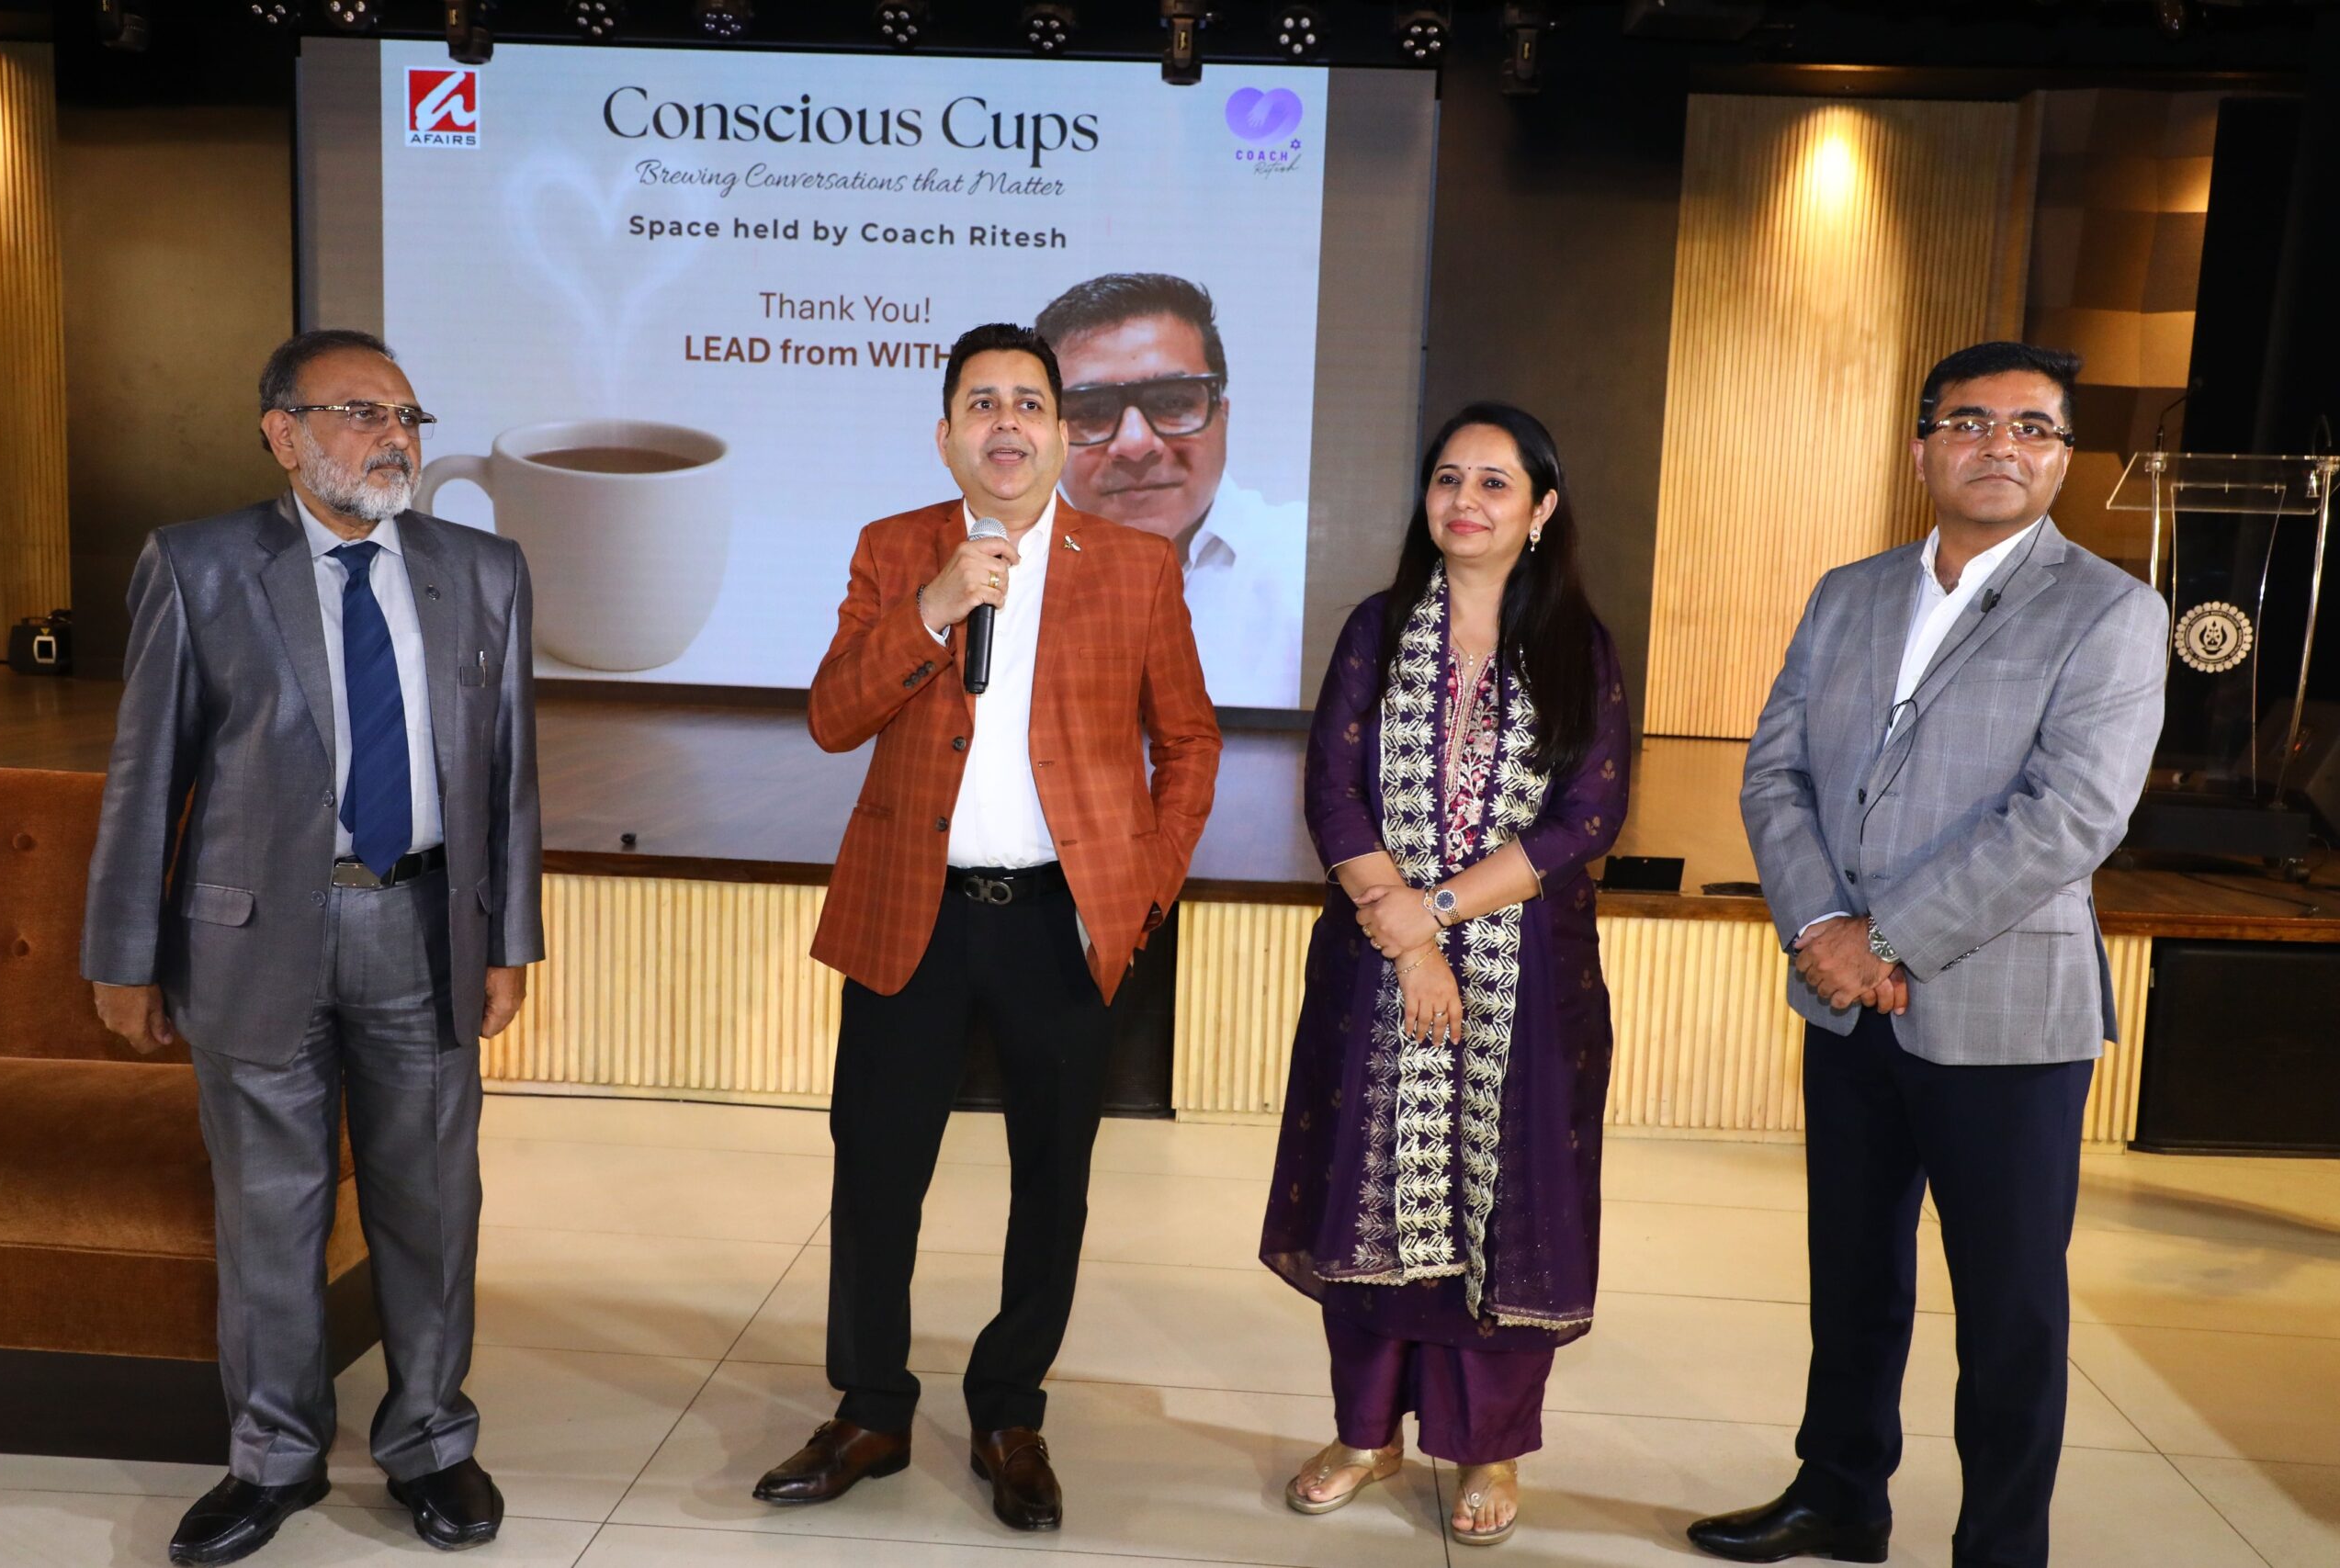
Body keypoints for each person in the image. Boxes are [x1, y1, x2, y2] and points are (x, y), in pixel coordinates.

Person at [1690, 343, 2167, 1568]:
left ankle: (2000, 1547)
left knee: (2008, 1309)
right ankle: (1839, 1497)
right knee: (1852, 1276)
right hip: (1847, 1004)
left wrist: (1887, 937)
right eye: (1969, 421)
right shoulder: (1847, 593)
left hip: (2005, 1015)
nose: (1999, 444)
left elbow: (2070, 817)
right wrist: (1821, 932)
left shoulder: (2110, 610)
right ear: (1921, 448)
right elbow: (1775, 773)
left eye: (2032, 427)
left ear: (2063, 457)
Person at [81, 329, 543, 1565]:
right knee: (269, 1213)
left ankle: (431, 1442)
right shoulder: (200, 566)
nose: (394, 436)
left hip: (424, 926)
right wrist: (123, 954)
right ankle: (272, 1459)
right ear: (282, 433)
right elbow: (145, 776)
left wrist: (510, 940)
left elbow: (507, 777)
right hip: (250, 939)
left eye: (407, 415)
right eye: (360, 412)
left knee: (431, 1204)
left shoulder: (483, 569)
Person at [757, 322, 1220, 1532]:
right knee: (876, 1168)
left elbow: (1189, 740)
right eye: (980, 403)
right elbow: (832, 716)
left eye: (1028, 402)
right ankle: (871, 1406)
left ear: (1063, 435)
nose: (1005, 423)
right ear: (946, 435)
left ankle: (1010, 1409)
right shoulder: (895, 548)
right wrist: (933, 605)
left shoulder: (1135, 566)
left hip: (1062, 921)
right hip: (912, 909)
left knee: (1051, 1178)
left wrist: (1146, 882)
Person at [1260, 402, 1631, 1549]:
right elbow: (1332, 792)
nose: (1464, 502)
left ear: (1542, 509)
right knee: (1366, 1197)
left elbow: (1588, 816)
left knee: (1509, 1210)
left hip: (1531, 984)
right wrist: (1413, 944)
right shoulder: (1376, 629)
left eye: (1494, 483)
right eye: (1447, 480)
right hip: (1376, 973)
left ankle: (1488, 1450)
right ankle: (1365, 1434)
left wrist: (1438, 911)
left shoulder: (1577, 647)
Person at [1035, 272, 1307, 708]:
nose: (1135, 444)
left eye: (1173, 402)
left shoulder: (1304, 570)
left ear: (1222, 414)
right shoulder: (1007, 584)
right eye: (1091, 411)